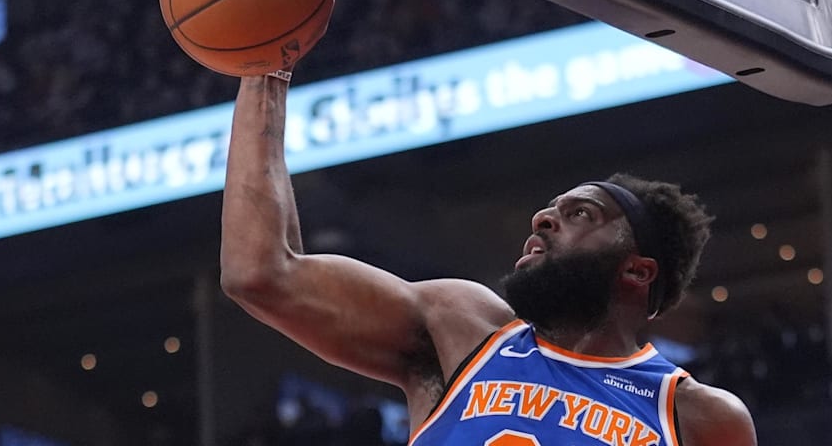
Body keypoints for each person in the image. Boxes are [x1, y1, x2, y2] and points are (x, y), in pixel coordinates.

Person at [221, 73, 757, 446]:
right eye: (549, 210)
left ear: (637, 270)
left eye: (580, 215)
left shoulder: (698, 416)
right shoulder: (464, 328)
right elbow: (261, 273)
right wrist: (264, 67)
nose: (542, 220)